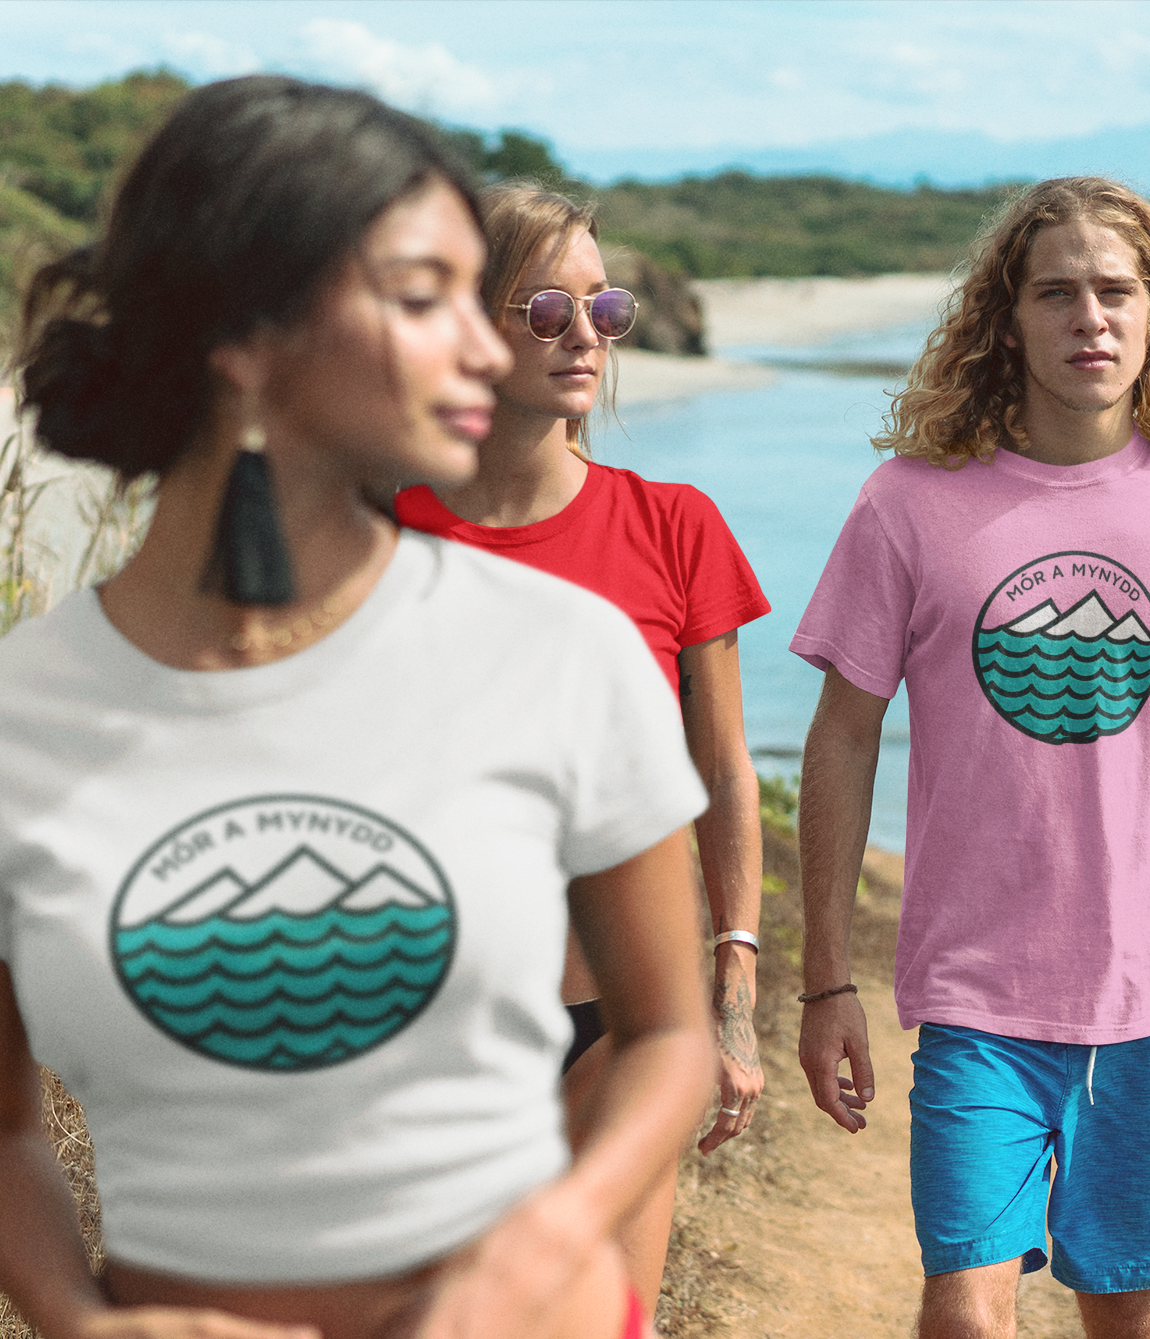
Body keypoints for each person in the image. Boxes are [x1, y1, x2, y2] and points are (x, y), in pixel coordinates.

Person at [0, 76, 716, 1339]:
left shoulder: (564, 654)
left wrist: (541, 1241)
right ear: (246, 333)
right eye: (424, 297)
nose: (490, 348)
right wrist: (77, 1315)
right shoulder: (27, 711)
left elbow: (669, 1034)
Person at [791, 176, 1150, 1339]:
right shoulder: (909, 503)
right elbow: (841, 737)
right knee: (966, 1311)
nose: (1088, 317)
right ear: (1009, 319)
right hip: (976, 996)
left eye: (1114, 292)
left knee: (1127, 1320)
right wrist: (824, 980)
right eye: (1055, 293)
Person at [395, 183, 770, 1310]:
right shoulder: (379, 528)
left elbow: (723, 776)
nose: (585, 336)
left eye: (604, 309)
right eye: (547, 308)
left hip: (623, 1016)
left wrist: (735, 986)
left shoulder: (675, 525)